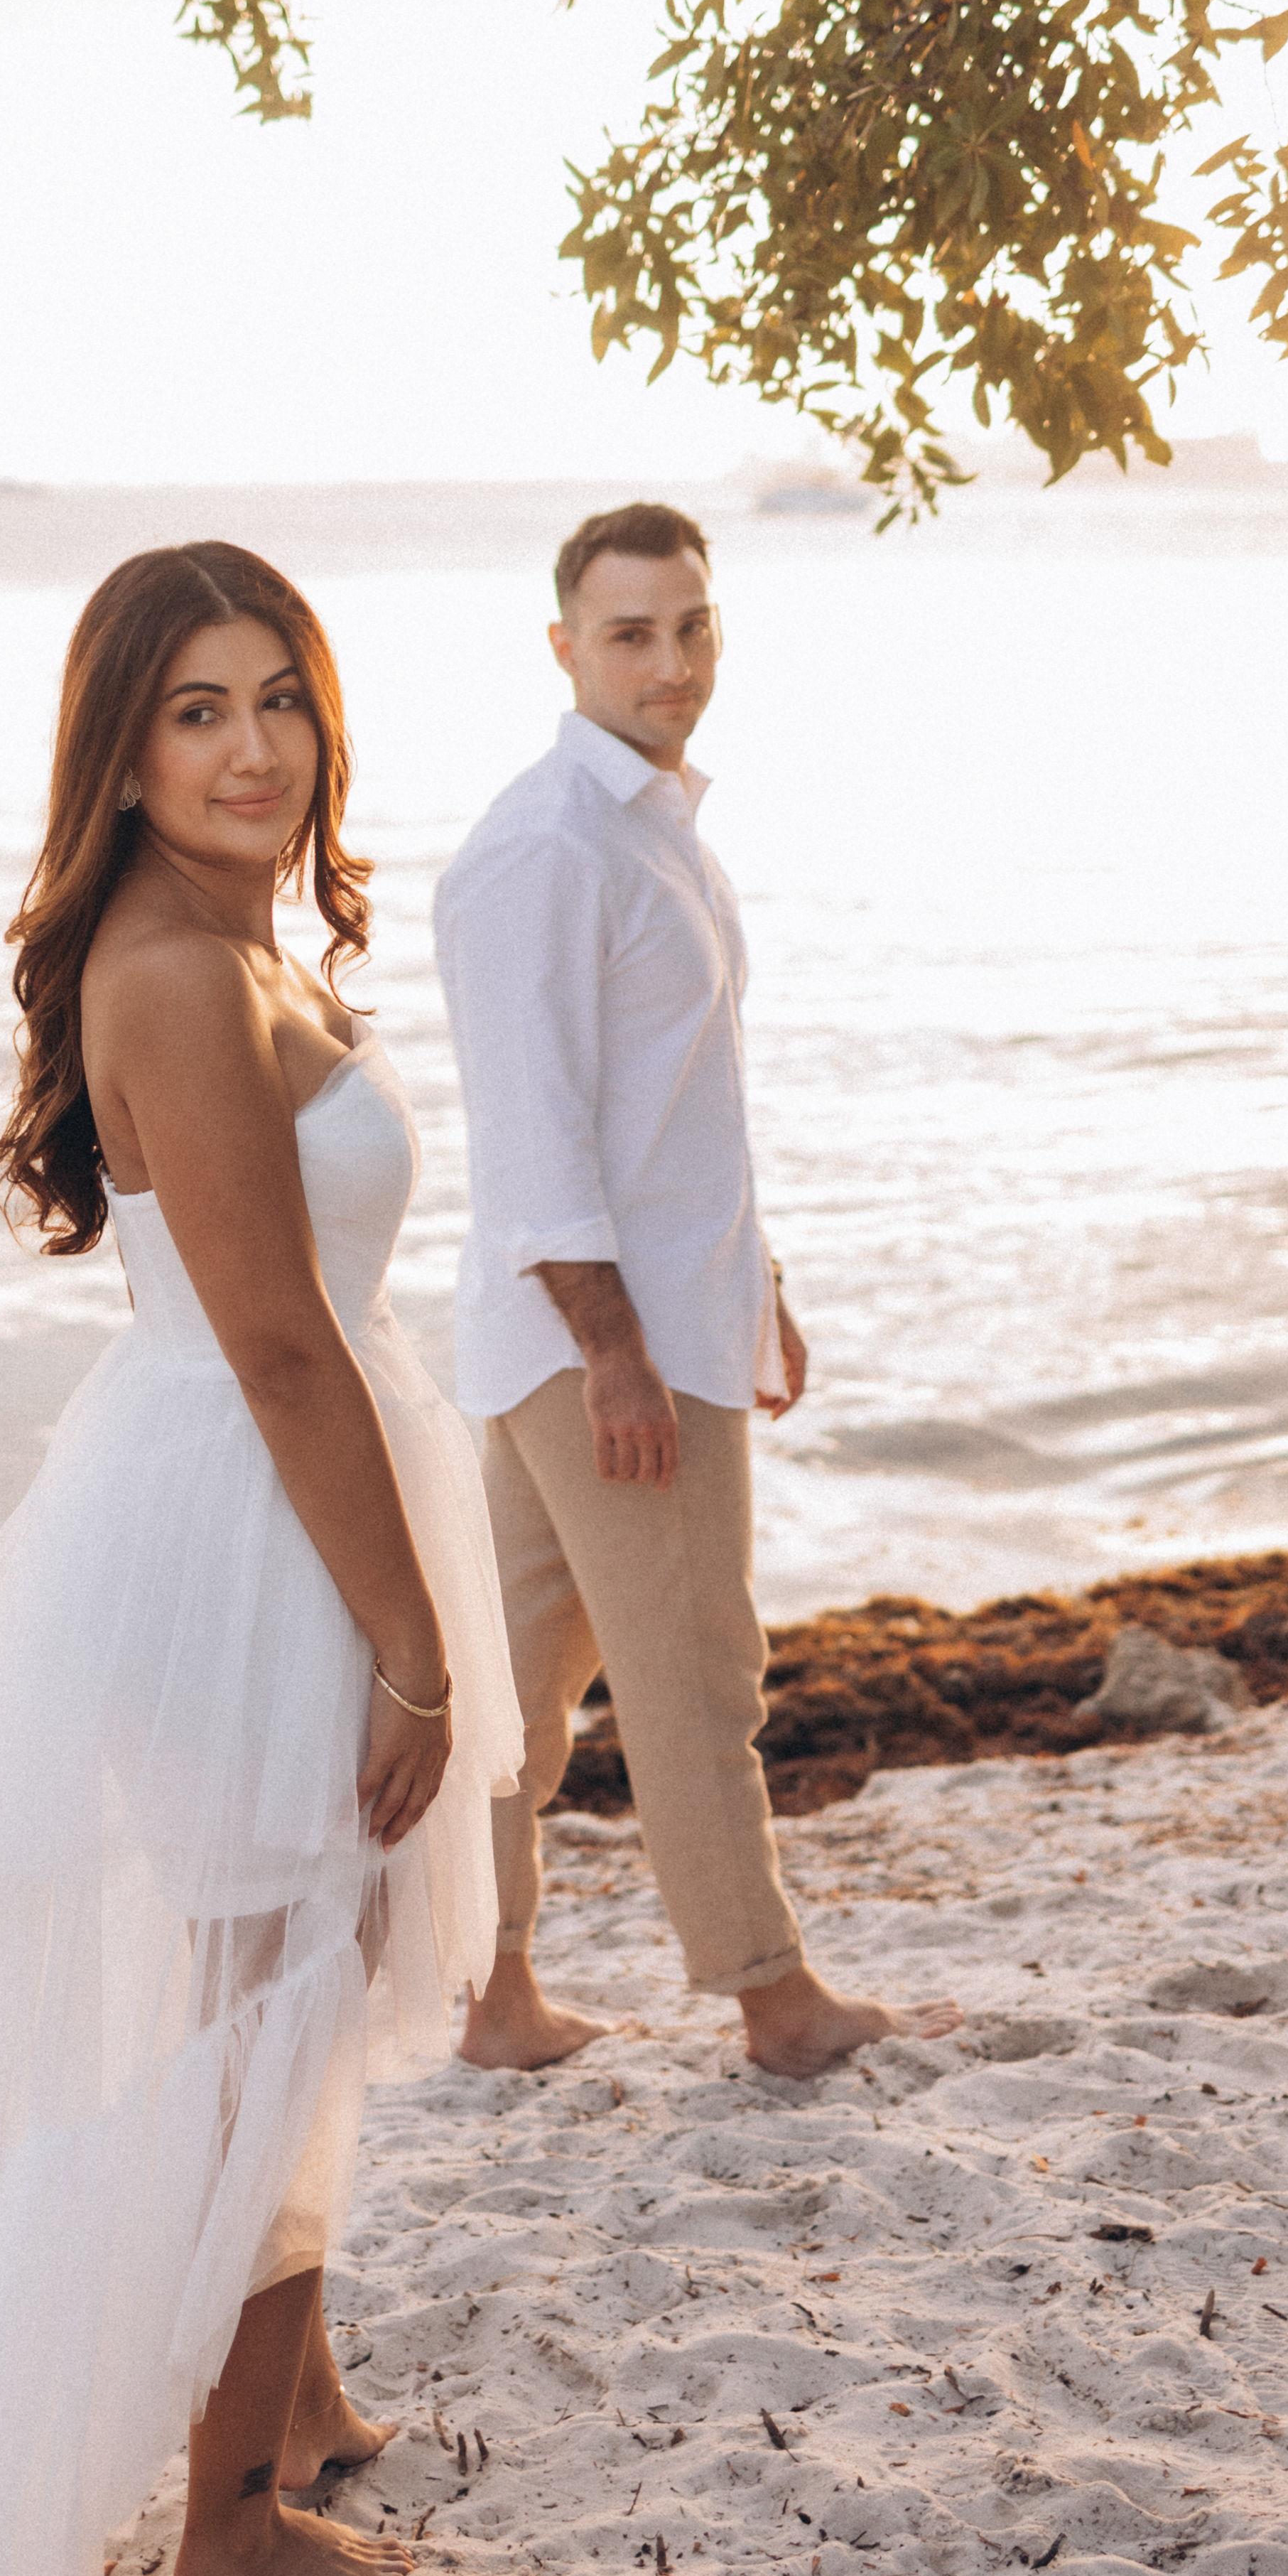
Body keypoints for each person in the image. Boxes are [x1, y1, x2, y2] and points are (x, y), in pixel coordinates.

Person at [0, 542, 523, 2576]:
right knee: (260, 2010)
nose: (250, 747)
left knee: (289, 1978)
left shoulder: (232, 939)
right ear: (119, 754)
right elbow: (279, 1345)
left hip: (267, 1494)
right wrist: (410, 1646)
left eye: (278, 697)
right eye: (195, 711)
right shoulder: (177, 973)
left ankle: (286, 2402)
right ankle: (227, 2529)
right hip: (245, 1525)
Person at [432, 502, 956, 2081]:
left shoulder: (656, 830)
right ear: (563, 648)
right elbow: (533, 1130)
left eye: (692, 627)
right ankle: (776, 2001)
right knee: (696, 1673)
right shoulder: (544, 847)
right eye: (631, 634)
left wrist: (759, 1283)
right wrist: (618, 1350)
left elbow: (677, 1107)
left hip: (645, 1319)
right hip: (608, 1345)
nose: (671, 663)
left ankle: (491, 1994)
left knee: (520, 1686)